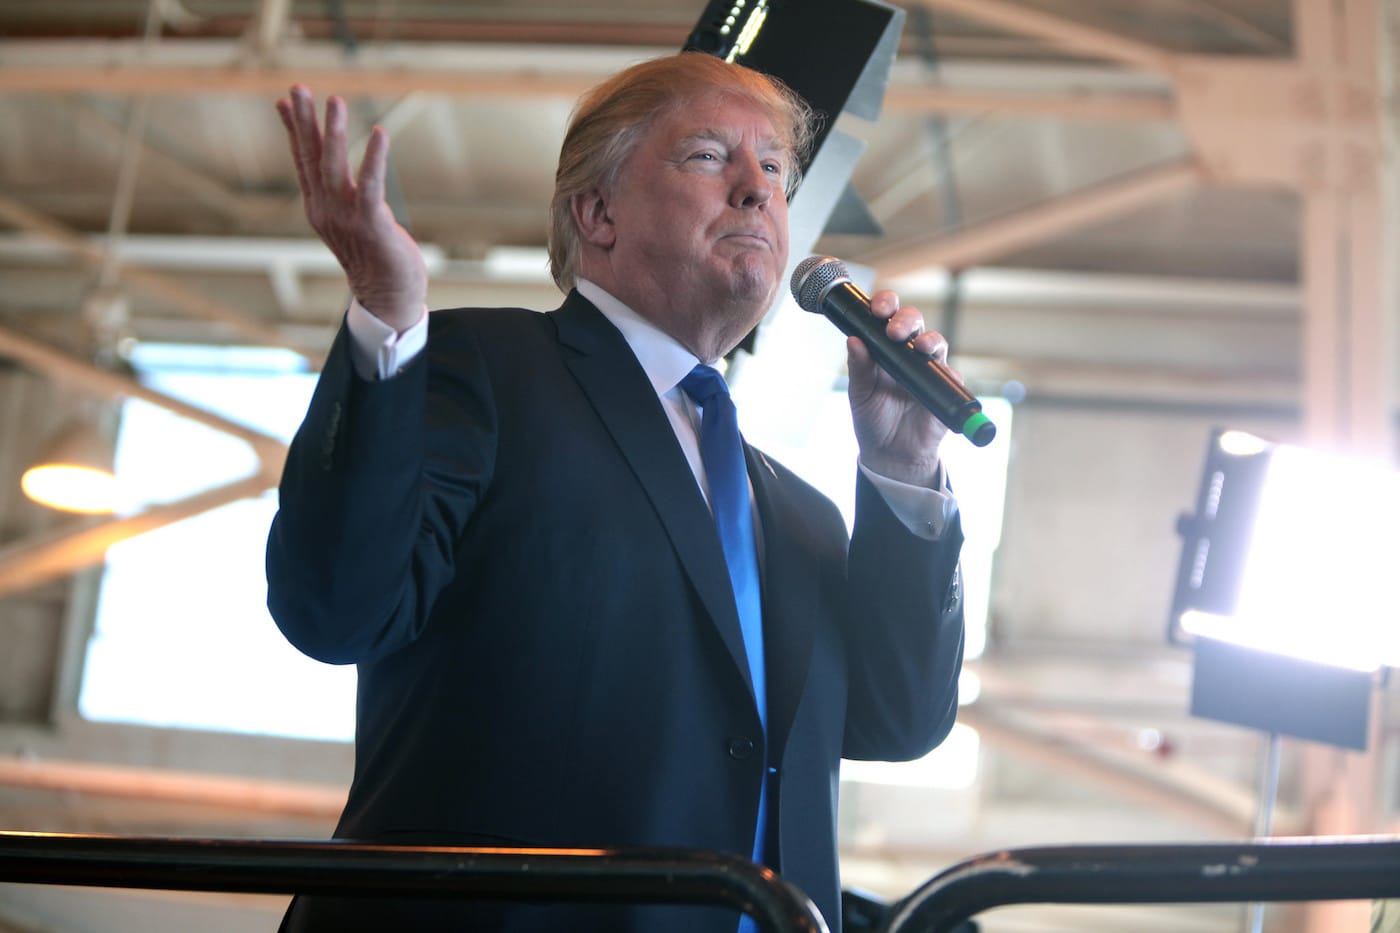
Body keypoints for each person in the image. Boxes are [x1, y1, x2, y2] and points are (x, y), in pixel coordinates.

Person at [266, 51, 966, 933]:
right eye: (709, 156)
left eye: (776, 169)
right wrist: (383, 312)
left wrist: (903, 470)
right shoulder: (482, 372)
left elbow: (900, 720)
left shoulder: (800, 514)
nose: (757, 190)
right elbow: (335, 608)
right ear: (596, 212)